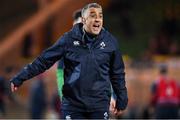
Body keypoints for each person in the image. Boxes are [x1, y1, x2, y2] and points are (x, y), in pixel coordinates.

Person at [10, 3, 128, 119]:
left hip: (99, 106)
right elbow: (44, 61)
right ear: (83, 20)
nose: (97, 19)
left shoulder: (110, 42)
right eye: (93, 15)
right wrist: (21, 77)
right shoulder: (68, 40)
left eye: (100, 16)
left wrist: (121, 99)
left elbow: (117, 73)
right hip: (73, 106)